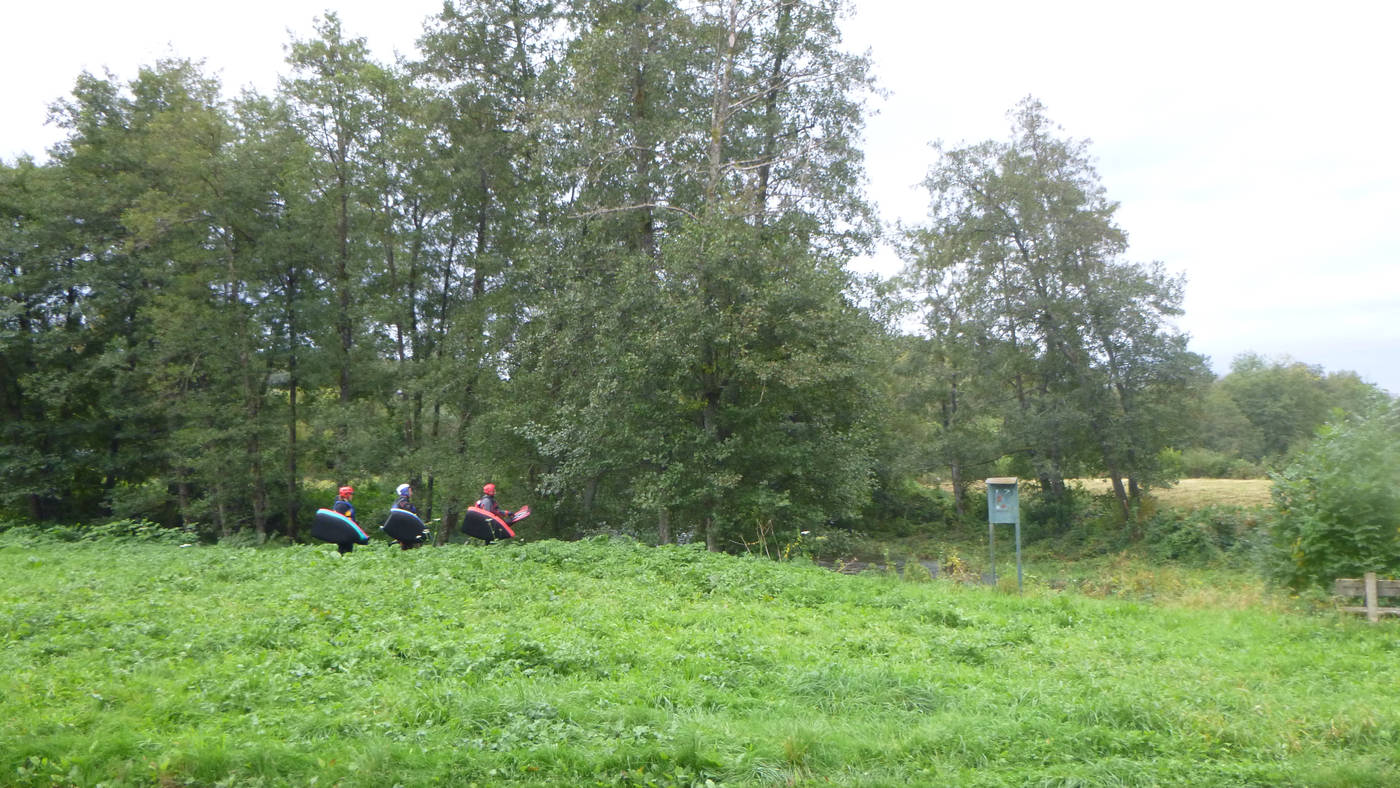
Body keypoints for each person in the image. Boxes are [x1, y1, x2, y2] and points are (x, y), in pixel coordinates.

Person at [391, 482, 421, 550]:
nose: (411, 493)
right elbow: (407, 515)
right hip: (403, 532)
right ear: (405, 491)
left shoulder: (401, 501)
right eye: (410, 490)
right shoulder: (402, 502)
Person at [332, 485, 359, 554]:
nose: (352, 496)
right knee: (344, 551)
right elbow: (340, 520)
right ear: (346, 495)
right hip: (343, 534)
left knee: (348, 550)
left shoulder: (344, 504)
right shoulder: (341, 505)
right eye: (351, 494)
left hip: (347, 532)